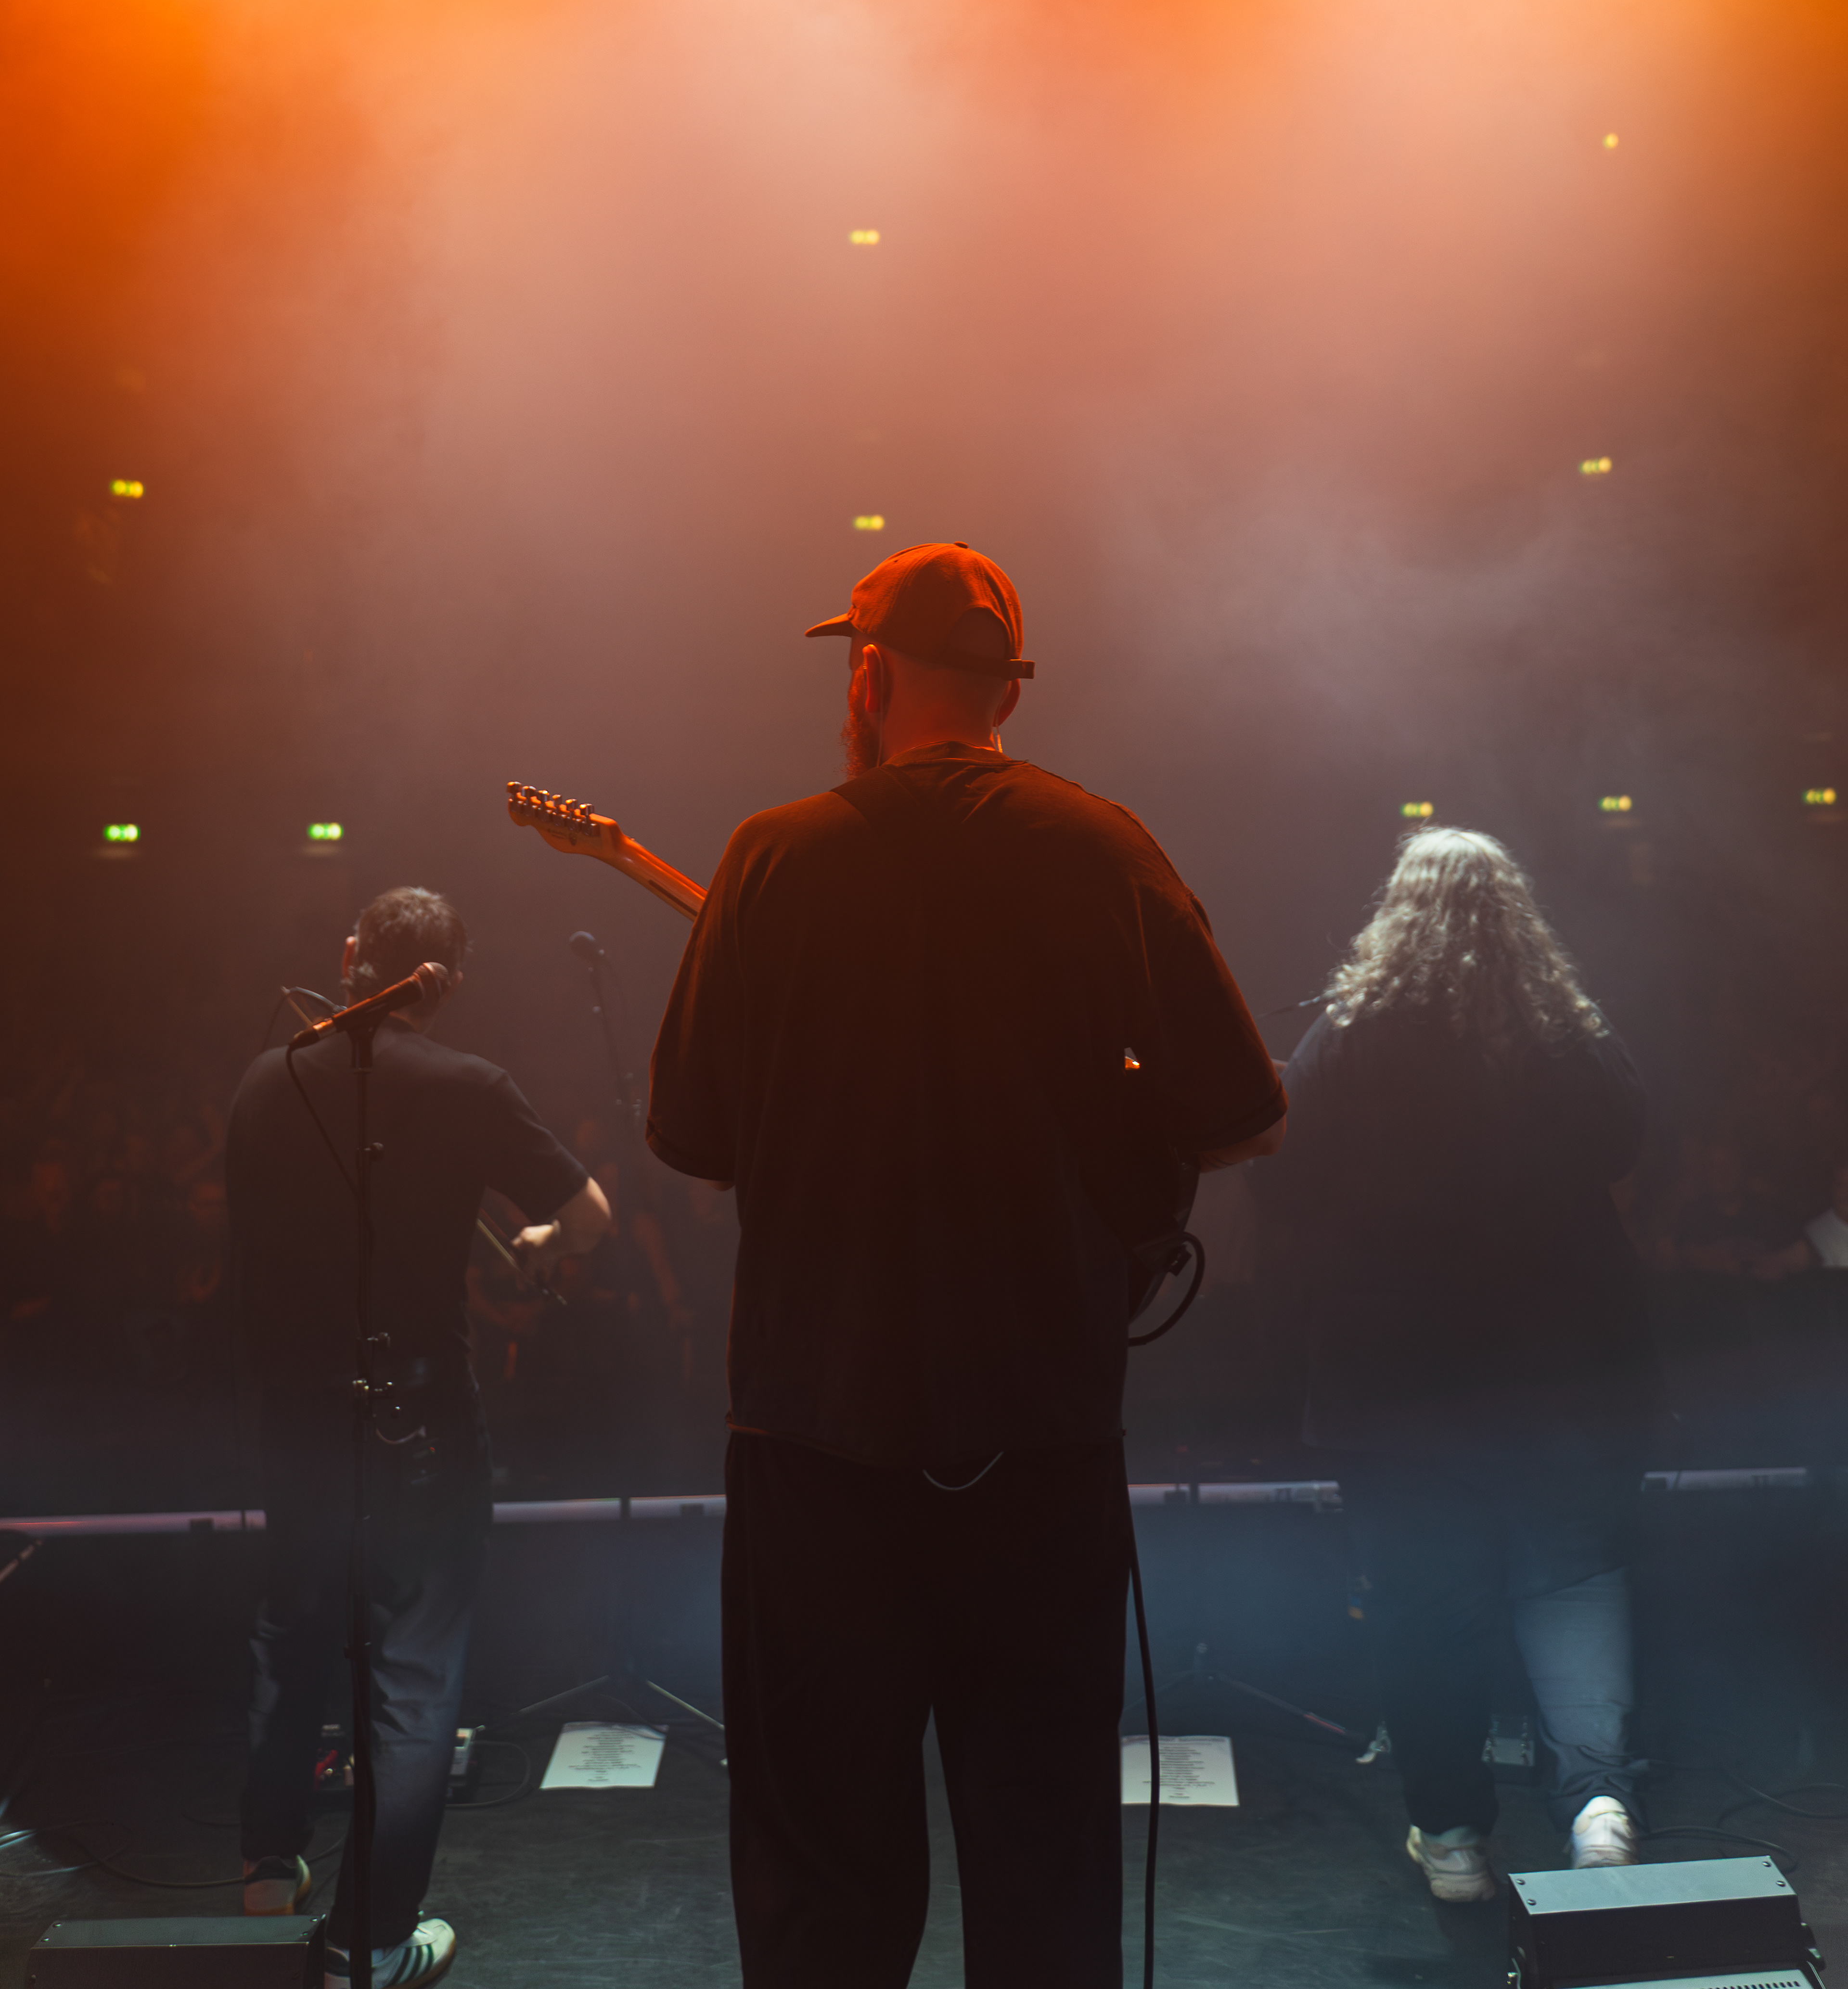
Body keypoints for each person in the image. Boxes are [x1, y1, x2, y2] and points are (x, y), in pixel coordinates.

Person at [647, 540, 1285, 1988]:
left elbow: (690, 1141)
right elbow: (1249, 1118)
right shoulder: (1105, 847)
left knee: (821, 1873)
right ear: (1008, 691)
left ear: (868, 680)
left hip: (818, 1436)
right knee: (1047, 1863)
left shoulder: (772, 855)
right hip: (1040, 1440)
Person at [1251, 827, 1654, 1902]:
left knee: (1426, 1603)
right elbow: (1627, 1141)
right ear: (1516, 920)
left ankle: (1454, 1838)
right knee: (1571, 1576)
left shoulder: (1347, 1036)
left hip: (1397, 1383)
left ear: (1398, 911)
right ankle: (1599, 1806)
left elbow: (1279, 1181)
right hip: (1557, 1369)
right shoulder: (1565, 1032)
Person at [227, 887, 608, 1989]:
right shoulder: (468, 1085)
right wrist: (536, 1240)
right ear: (443, 986)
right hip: (419, 1413)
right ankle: (374, 1943)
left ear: (351, 957)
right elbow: (587, 1216)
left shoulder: (264, 1082)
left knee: (293, 1622)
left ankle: (268, 1861)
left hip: (297, 1414)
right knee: (412, 1673)